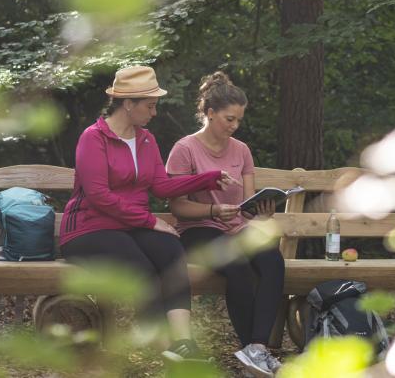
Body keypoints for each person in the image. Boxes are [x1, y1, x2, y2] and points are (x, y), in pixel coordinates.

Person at [58, 65, 240, 362]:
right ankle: (164, 346)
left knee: (171, 248)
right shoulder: (93, 138)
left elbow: (161, 185)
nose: (154, 113)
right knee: (142, 267)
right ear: (128, 104)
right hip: (88, 230)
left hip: (128, 227)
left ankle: (185, 343)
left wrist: (208, 178)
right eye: (150, 106)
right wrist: (150, 221)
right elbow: (99, 196)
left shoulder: (145, 140)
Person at [165, 71, 285, 377]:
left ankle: (257, 349)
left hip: (236, 229)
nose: (234, 126)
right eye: (229, 119)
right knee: (238, 267)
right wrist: (213, 210)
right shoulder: (184, 149)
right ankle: (252, 354)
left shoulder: (241, 150)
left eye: (238, 121)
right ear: (209, 113)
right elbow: (177, 207)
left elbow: (246, 205)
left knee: (273, 259)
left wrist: (260, 212)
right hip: (198, 230)